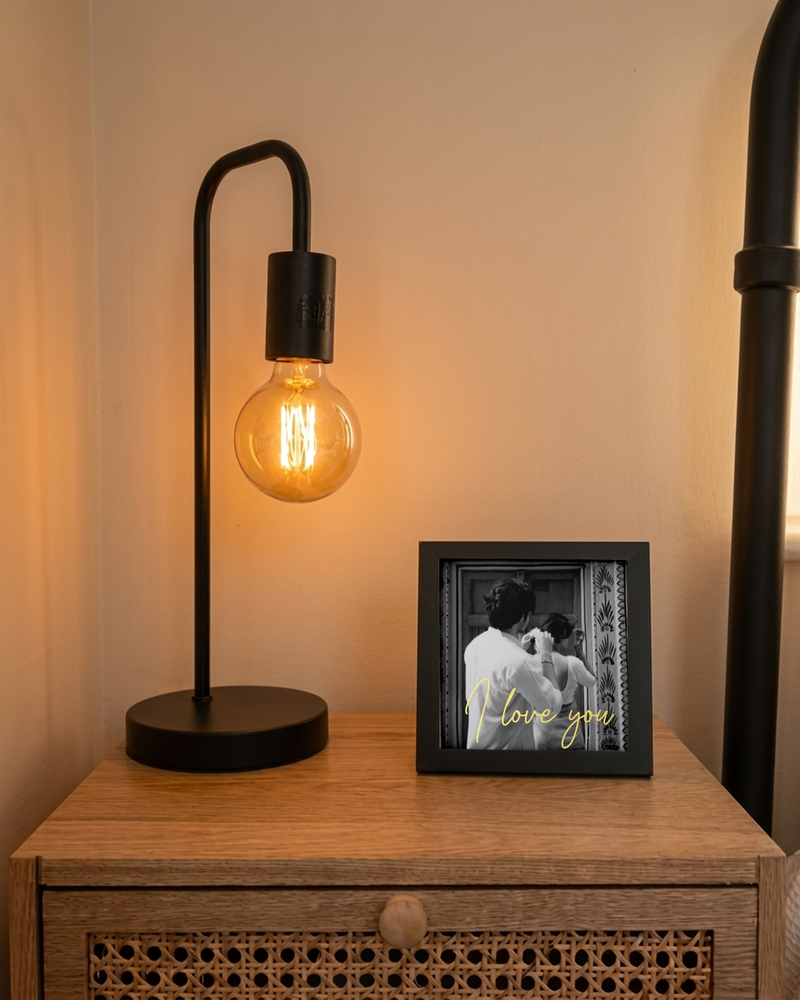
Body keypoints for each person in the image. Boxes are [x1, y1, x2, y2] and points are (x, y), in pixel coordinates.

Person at [464, 579, 562, 749]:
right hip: (509, 762)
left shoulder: (474, 646)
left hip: (475, 757)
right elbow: (552, 707)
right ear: (523, 617)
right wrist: (546, 656)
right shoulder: (519, 662)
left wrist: (518, 646)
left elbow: (500, 672)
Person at [531, 612, 596, 750]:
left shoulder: (531, 661)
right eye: (568, 636)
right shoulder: (573, 663)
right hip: (570, 737)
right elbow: (592, 681)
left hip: (541, 737)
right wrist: (580, 653)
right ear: (561, 637)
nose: (569, 640)